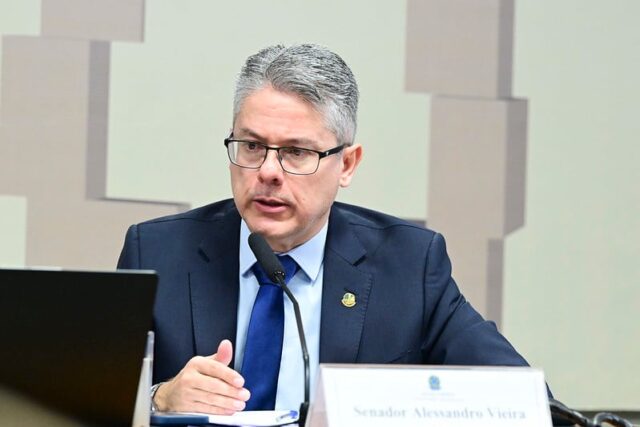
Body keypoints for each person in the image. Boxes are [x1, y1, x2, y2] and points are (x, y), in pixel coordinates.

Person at [117, 44, 529, 415]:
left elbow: (521, 399)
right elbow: (93, 403)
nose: (268, 172)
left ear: (347, 164)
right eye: (252, 146)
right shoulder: (156, 253)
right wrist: (158, 399)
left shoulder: (409, 265)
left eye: (296, 152)